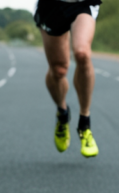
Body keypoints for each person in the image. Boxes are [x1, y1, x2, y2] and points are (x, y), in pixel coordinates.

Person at [34, 0, 101, 158]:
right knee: (58, 70)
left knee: (82, 53)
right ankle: (63, 113)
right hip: (51, 6)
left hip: (83, 3)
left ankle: (84, 123)